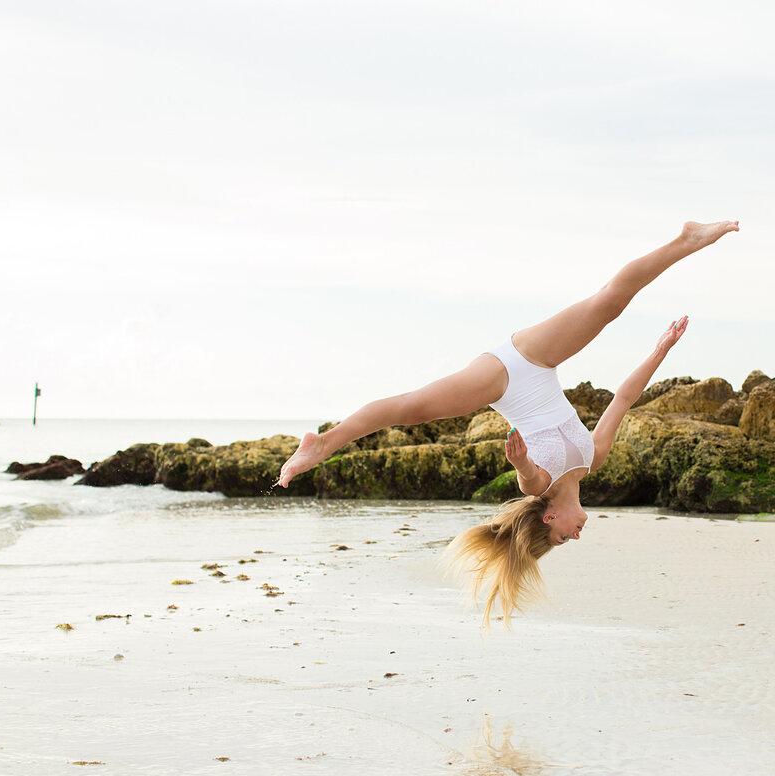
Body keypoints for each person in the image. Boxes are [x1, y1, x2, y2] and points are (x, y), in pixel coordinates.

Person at [276, 220, 739, 624]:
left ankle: (325, 445)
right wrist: (661, 350)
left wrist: (519, 461)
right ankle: (688, 240)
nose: (573, 537)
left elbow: (530, 475)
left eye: (560, 537)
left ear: (550, 517)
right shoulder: (592, 460)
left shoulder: (537, 489)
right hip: (539, 361)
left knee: (411, 409)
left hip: (502, 379)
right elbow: (622, 398)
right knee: (609, 305)